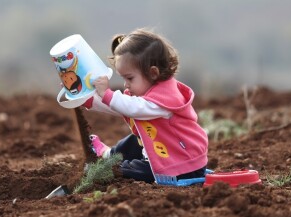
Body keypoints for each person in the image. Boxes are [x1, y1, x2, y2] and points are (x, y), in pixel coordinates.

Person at [83, 28, 208, 183]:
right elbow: (120, 106)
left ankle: (111, 168)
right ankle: (109, 155)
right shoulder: (147, 92)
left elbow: (132, 107)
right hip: (167, 151)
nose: (125, 84)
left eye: (129, 78)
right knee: (135, 140)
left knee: (136, 170)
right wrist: (88, 99)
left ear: (153, 73)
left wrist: (107, 94)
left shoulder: (164, 100)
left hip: (182, 166)